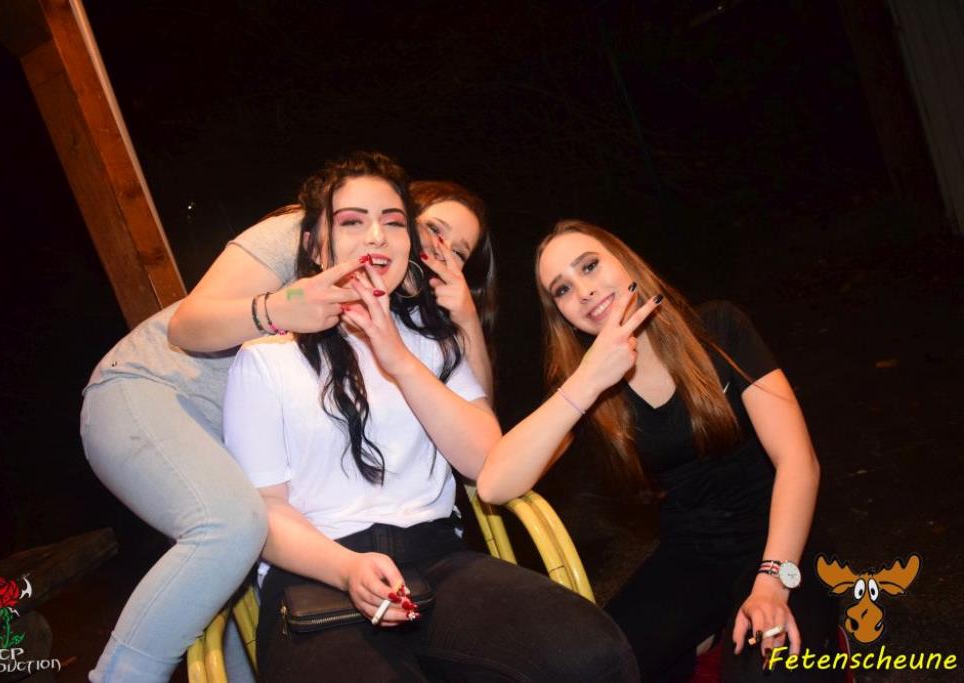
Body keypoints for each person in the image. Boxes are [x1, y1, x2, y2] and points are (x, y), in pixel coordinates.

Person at [222, 153, 636, 681]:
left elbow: (484, 463)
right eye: (352, 221)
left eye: (393, 222)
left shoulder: (435, 346)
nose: (377, 236)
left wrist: (398, 357)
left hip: (439, 559)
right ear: (315, 245)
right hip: (316, 577)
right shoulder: (265, 360)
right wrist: (345, 568)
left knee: (592, 655)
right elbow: (264, 513)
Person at [81, 167, 495, 680]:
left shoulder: (409, 304)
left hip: (232, 433)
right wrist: (284, 307)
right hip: (150, 391)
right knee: (233, 527)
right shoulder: (309, 230)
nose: (439, 251)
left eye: (458, 251)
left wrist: (467, 319)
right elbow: (187, 326)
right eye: (433, 230)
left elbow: (477, 425)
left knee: (243, 593)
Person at [477, 219, 840, 681]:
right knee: (598, 669)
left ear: (626, 263)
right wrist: (588, 380)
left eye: (589, 266)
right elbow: (494, 485)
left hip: (782, 540)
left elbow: (798, 461)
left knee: (768, 672)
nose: (583, 291)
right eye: (562, 290)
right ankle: (705, 638)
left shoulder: (718, 327)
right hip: (693, 556)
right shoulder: (590, 385)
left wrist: (771, 582)